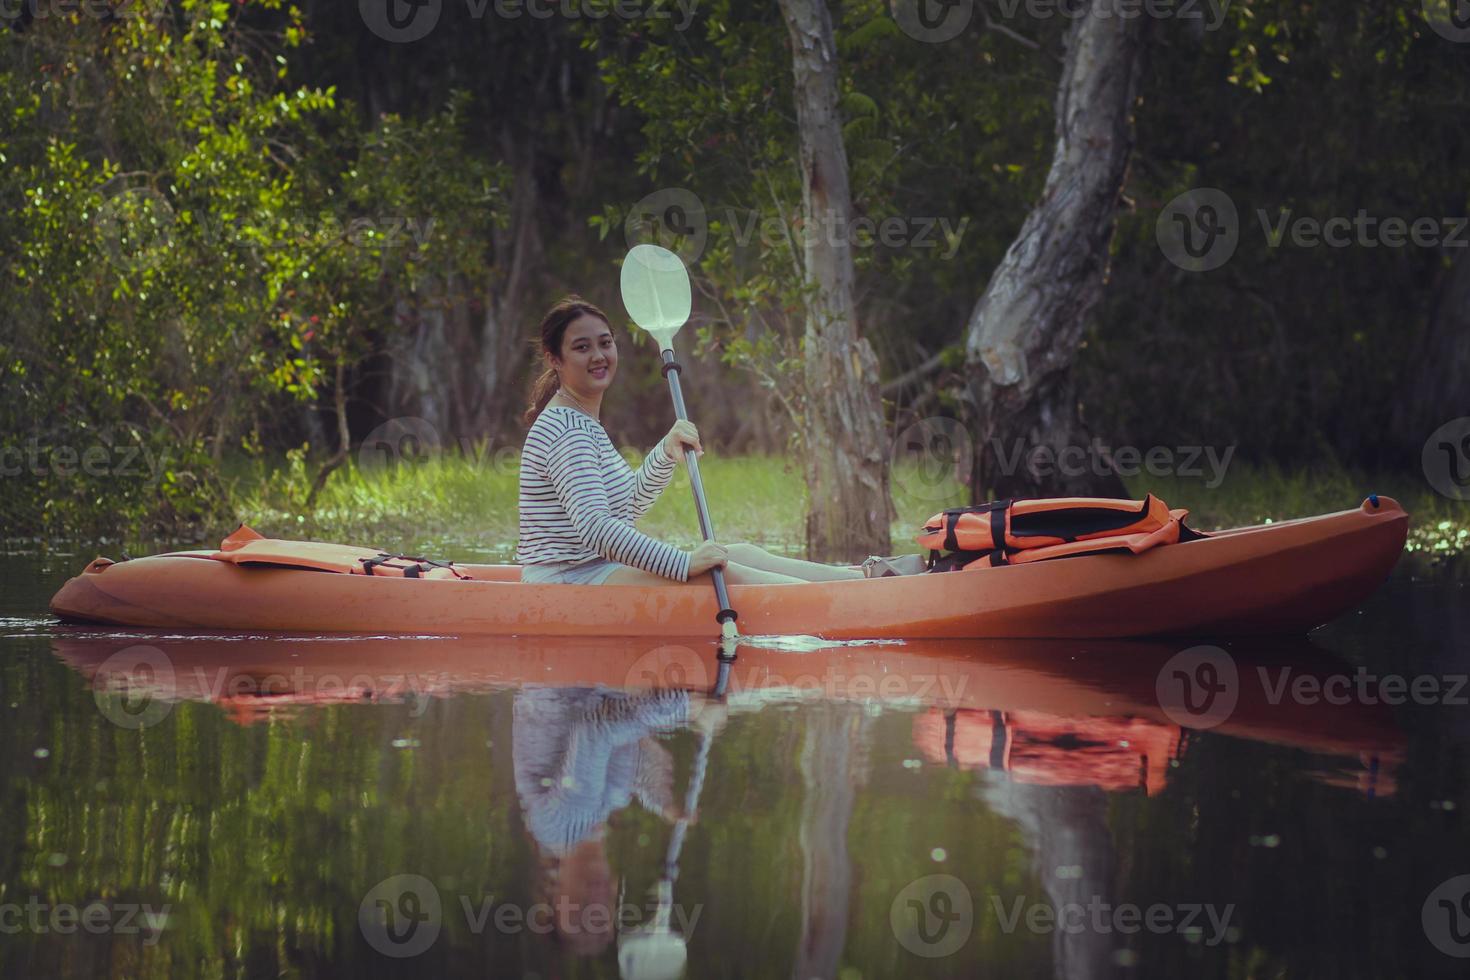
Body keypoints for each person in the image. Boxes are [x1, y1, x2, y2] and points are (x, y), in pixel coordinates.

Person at [515, 296, 866, 586]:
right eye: (582, 347)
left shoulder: (582, 421)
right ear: (554, 359)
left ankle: (860, 578)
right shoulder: (565, 429)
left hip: (594, 569)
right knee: (722, 571)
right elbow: (599, 531)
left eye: (605, 343)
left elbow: (625, 509)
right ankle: (850, 602)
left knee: (740, 553)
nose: (598, 355)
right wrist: (683, 563)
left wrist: (665, 455)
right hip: (568, 579)